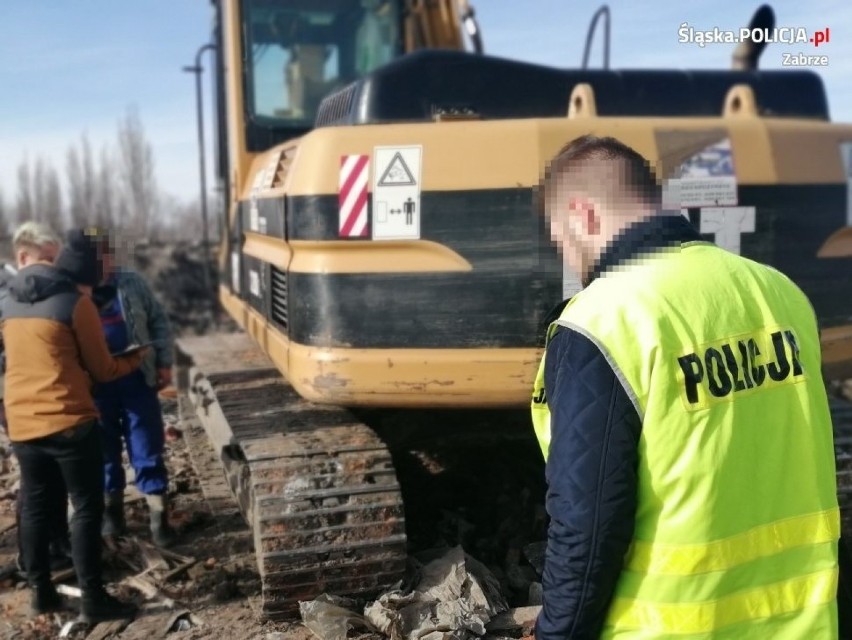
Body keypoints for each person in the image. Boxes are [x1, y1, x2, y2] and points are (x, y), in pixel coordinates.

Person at [530, 135, 841, 637]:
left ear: (583, 216)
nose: (569, 259)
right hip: (803, 623)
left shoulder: (604, 319)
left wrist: (557, 633)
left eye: (561, 240)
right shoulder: (779, 292)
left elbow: (587, 522)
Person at [1, 227, 144, 622]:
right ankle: (93, 598)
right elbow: (103, 368)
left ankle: (42, 593)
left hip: (23, 423)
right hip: (67, 420)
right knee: (85, 508)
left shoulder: (10, 301)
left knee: (35, 507)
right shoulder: (75, 304)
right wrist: (137, 358)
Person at [84, 228, 176, 547]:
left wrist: (164, 361)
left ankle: (158, 517)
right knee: (104, 449)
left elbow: (159, 321)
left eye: (105, 254)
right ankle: (113, 514)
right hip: (97, 384)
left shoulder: (132, 282)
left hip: (137, 378)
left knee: (146, 444)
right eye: (94, 255)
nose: (101, 262)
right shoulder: (76, 289)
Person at [0, 223, 73, 575]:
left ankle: (56, 546)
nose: (52, 267)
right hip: (16, 394)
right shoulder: (7, 291)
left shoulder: (32, 286)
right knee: (36, 482)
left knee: (52, 478)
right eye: (46, 259)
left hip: (38, 392)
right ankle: (35, 560)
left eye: (55, 260)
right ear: (23, 256)